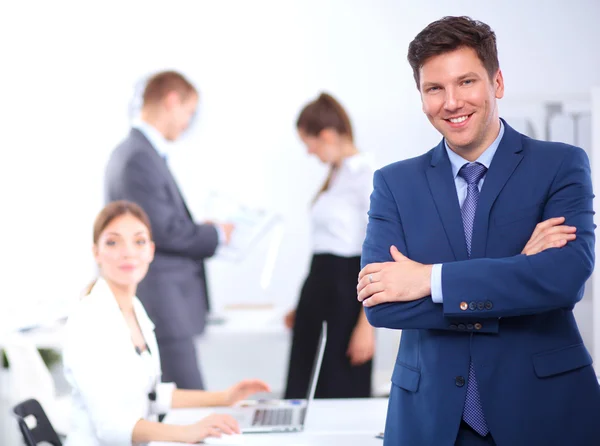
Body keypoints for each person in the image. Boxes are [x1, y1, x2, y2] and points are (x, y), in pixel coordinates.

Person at [357, 16, 600, 446]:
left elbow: (563, 280)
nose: (451, 102)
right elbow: (381, 305)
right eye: (435, 88)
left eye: (466, 82)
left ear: (497, 83)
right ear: (422, 96)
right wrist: (521, 271)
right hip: (432, 421)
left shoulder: (560, 164)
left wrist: (428, 280)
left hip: (546, 412)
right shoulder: (395, 183)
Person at [62, 200, 269, 445]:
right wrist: (188, 433)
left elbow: (150, 394)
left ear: (151, 250)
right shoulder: (90, 320)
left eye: (138, 241)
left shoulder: (134, 309)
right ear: (96, 252)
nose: (128, 251)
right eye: (113, 242)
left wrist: (224, 397)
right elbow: (111, 428)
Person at [105, 70, 233, 390]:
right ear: (172, 101)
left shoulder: (138, 153)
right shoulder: (138, 157)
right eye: (189, 113)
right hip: (163, 303)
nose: (188, 123)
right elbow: (162, 231)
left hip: (165, 303)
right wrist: (215, 235)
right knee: (187, 404)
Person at [284, 93, 375, 399]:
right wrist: (305, 304)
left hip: (346, 296)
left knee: (339, 388)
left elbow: (377, 252)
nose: (309, 153)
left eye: (308, 144)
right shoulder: (335, 176)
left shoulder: (367, 175)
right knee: (303, 386)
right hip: (319, 290)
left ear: (325, 135)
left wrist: (368, 325)